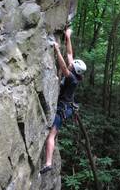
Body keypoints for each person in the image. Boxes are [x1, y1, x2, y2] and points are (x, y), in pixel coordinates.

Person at [40, 28, 87, 174]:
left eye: (72, 65)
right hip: (67, 106)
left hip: (63, 108)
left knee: (52, 134)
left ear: (74, 69)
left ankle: (48, 163)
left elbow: (63, 66)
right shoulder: (75, 72)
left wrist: (56, 50)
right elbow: (70, 54)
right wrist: (67, 37)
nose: (70, 63)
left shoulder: (72, 78)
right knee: (53, 133)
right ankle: (48, 161)